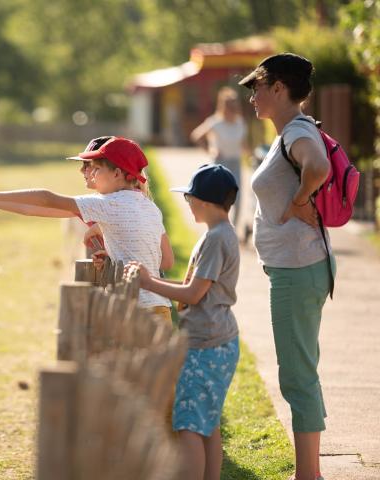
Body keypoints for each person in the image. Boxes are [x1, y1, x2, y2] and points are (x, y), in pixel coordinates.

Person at [0, 136, 174, 321]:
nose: (85, 171)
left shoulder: (110, 204)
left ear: (117, 173)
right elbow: (166, 261)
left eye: (95, 168)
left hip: (133, 312)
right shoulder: (149, 207)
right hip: (160, 309)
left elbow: (44, 199)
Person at [239, 52, 332, 480]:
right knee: (300, 369)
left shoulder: (297, 130)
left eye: (256, 86)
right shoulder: (289, 132)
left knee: (296, 374)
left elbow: (318, 166)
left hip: (298, 269)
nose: (252, 96)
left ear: (278, 88)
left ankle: (307, 475)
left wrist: (297, 204)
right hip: (295, 268)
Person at [126, 164, 240, 480]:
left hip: (206, 345)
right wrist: (158, 280)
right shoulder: (221, 235)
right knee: (208, 423)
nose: (187, 204)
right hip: (218, 341)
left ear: (201, 201)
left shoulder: (215, 240)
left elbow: (192, 294)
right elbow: (198, 287)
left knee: (188, 424)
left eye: (188, 198)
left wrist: (148, 283)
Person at [190, 87, 247, 226]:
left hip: (235, 162)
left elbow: (243, 144)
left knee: (238, 198)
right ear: (223, 106)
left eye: (234, 105)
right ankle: (218, 226)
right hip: (220, 164)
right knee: (218, 199)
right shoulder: (215, 122)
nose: (232, 109)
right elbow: (196, 136)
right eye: (229, 106)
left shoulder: (240, 122)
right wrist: (210, 150)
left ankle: (234, 228)